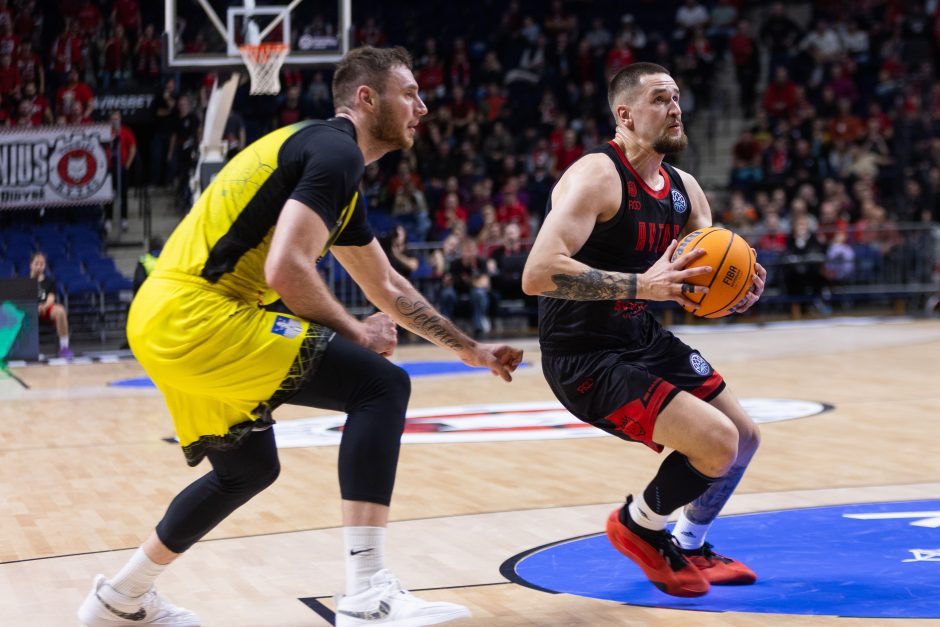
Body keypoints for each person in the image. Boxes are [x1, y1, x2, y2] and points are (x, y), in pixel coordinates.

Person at [78, 45, 523, 627]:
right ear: (366, 99)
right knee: (381, 386)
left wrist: (471, 349)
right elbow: (286, 267)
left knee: (248, 470)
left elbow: (388, 285)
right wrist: (354, 331)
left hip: (166, 317)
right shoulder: (334, 149)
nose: (422, 106)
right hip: (197, 313)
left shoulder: (335, 170)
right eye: (409, 93)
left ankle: (121, 597)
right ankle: (367, 593)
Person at [521, 63, 766, 598]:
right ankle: (638, 525)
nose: (674, 108)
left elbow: (707, 269)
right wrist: (640, 285)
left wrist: (740, 284)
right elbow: (537, 273)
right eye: (660, 99)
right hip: (585, 357)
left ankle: (694, 543)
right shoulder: (596, 176)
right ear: (625, 115)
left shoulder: (685, 190)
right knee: (717, 442)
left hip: (640, 338)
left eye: (677, 97)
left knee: (744, 438)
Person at [29, 251, 72, 359]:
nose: (39, 266)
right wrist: (34, 307)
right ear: (31, 265)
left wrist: (44, 306)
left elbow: (51, 297)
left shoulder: (49, 281)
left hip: (45, 310)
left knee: (60, 310)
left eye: (42, 264)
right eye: (36, 263)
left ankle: (64, 348)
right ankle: (27, 350)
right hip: (30, 312)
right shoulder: (25, 281)